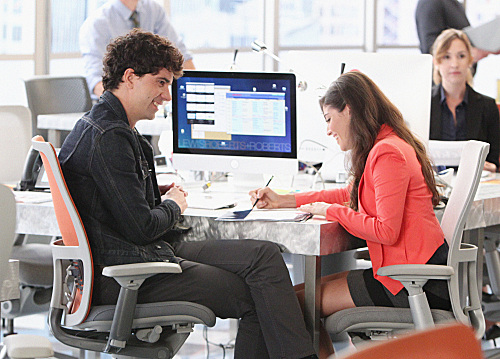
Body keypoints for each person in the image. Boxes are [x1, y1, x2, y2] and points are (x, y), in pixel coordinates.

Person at [59, 29, 317, 359]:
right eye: (161, 82)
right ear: (130, 77)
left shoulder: (113, 127)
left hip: (141, 256)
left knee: (264, 257)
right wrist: (174, 204)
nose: (168, 96)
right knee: (258, 292)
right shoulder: (109, 136)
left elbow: (125, 208)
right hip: (128, 274)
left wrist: (155, 195)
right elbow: (142, 227)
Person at [250, 71, 450, 358]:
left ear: (349, 110)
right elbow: (349, 195)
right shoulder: (383, 146)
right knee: (290, 297)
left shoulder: (387, 153)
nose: (328, 130)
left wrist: (332, 212)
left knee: (290, 303)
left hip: (411, 283)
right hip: (404, 274)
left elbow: (385, 230)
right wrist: (285, 200)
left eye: (329, 119)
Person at [79, 0, 195, 97]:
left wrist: (195, 91)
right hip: (116, 106)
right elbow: (96, 82)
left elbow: (181, 57)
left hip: (151, 102)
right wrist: (129, 105)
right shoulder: (97, 23)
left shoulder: (154, 11)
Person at [430, 28, 499, 172]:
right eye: (447, 57)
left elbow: (494, 161)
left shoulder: (488, 106)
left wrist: (490, 167)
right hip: (434, 184)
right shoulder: (424, 103)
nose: (455, 64)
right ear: (436, 62)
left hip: (477, 185)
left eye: (461, 56)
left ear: (470, 60)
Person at [415, 0, 491, 70]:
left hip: (460, 80)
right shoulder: (431, 2)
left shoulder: (454, 4)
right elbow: (430, 47)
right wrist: (470, 53)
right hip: (442, 80)